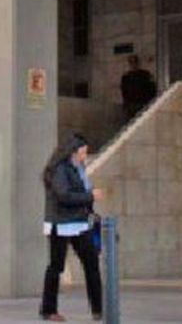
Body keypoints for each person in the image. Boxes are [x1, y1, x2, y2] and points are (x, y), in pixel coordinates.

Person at [39, 133, 103, 322]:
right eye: (82, 152)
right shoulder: (60, 169)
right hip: (61, 224)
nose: (84, 156)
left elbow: (80, 192)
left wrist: (90, 204)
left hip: (79, 222)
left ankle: (98, 308)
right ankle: (48, 310)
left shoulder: (77, 168)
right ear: (72, 152)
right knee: (56, 266)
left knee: (91, 263)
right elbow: (64, 196)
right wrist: (90, 196)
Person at [120, 54, 157, 122]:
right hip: (132, 105)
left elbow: (152, 89)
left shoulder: (145, 74)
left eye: (135, 62)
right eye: (131, 62)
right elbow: (124, 92)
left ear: (138, 63)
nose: (133, 64)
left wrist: (150, 102)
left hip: (143, 103)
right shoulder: (126, 77)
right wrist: (126, 105)